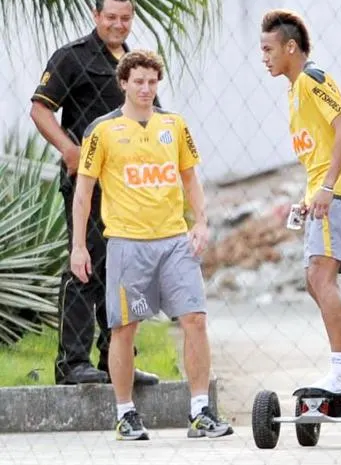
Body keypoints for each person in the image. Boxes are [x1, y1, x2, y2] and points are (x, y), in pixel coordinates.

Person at [70, 49, 233, 441]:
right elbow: (84, 191)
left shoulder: (174, 126)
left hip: (175, 240)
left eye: (152, 82)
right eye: (138, 81)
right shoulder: (102, 131)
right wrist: (79, 245)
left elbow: (190, 177)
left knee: (195, 319)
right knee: (125, 328)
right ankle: (126, 414)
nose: (145, 89)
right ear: (123, 83)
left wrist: (202, 222)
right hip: (128, 243)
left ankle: (200, 411)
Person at [30, 0, 158, 386]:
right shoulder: (72, 57)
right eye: (111, 17)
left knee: (125, 272)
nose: (118, 25)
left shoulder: (134, 64)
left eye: (125, 18)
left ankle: (115, 361)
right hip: (89, 184)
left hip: (130, 188)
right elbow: (40, 108)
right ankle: (72, 364)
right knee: (85, 266)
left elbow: (151, 117)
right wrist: (69, 150)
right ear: (95, 15)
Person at [260, 9, 341, 393]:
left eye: (268, 48)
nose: (264, 57)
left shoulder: (312, 79)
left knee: (320, 278)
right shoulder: (294, 92)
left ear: (291, 47)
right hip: (327, 192)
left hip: (340, 191)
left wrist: (326, 188)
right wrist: (310, 195)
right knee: (317, 282)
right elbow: (319, 150)